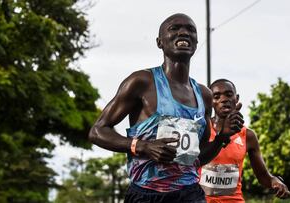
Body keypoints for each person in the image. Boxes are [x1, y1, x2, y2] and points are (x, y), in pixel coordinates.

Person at [88, 14, 244, 203]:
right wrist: (143, 146)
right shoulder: (141, 82)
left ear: (195, 42)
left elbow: (197, 158)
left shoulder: (204, 95)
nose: (184, 33)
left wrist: (221, 138)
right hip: (146, 194)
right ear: (159, 42)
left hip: (190, 193)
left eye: (190, 30)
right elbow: (97, 131)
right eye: (174, 28)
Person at [198, 79, 290, 203]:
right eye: (216, 96)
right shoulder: (201, 129)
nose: (224, 99)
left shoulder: (248, 136)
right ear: (211, 102)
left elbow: (263, 176)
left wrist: (275, 181)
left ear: (236, 99)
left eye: (229, 95)